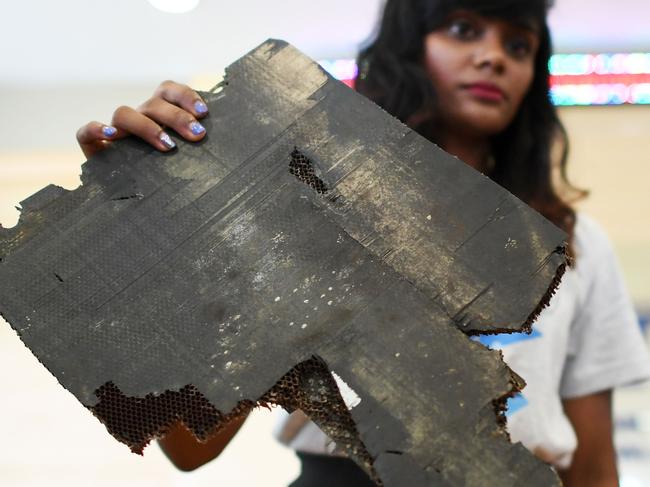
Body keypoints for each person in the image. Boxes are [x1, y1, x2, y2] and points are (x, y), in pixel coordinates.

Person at [76, 0, 650, 485]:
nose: (493, 56)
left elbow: (595, 466)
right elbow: (190, 447)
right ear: (408, 47)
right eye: (463, 29)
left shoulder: (574, 245)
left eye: (519, 46)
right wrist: (146, 222)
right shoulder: (313, 212)